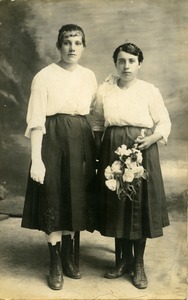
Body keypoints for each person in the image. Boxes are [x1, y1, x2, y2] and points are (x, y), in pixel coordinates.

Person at [21, 24, 97, 290]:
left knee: (75, 197)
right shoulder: (44, 76)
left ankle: (69, 257)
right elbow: (36, 122)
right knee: (53, 196)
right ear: (59, 46)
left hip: (81, 141)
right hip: (52, 140)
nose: (72, 48)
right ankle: (54, 261)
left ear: (84, 46)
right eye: (67, 42)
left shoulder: (89, 76)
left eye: (77, 42)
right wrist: (38, 159)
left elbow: (93, 115)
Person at [93, 42, 171, 289]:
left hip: (141, 151)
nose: (126, 66)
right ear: (115, 63)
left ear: (139, 64)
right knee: (118, 204)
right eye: (121, 61)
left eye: (131, 61)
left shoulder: (149, 90)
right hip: (112, 149)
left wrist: (150, 139)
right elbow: (96, 123)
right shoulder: (104, 90)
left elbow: (164, 123)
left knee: (137, 206)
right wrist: (99, 151)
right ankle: (121, 261)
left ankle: (138, 264)